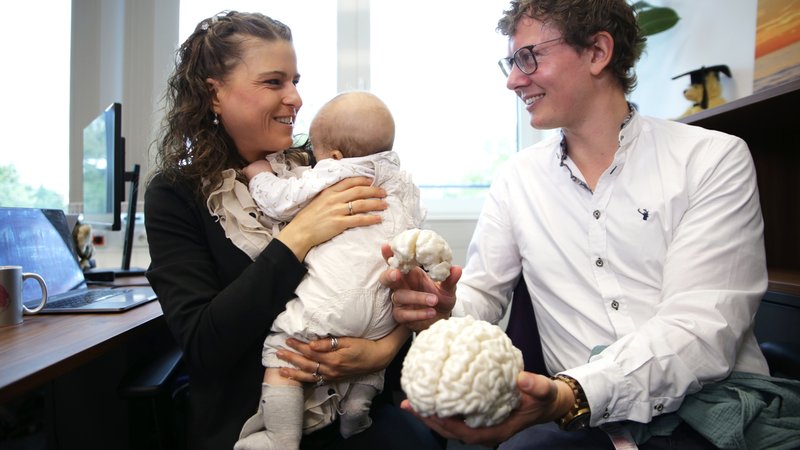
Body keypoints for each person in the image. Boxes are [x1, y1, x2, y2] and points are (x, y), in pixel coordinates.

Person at [381, 0, 797, 449]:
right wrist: (443, 308)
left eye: (528, 57)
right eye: (511, 61)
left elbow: (699, 329)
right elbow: (482, 295)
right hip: (583, 424)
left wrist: (573, 394)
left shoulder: (712, 159)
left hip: (710, 409)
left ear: (598, 52)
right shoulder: (517, 179)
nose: (513, 79)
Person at [144, 11, 443, 450]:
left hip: (353, 400)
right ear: (215, 94)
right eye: (274, 82)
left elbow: (391, 276)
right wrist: (298, 236)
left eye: (296, 81)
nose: (296, 98)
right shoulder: (176, 195)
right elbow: (205, 345)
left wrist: (383, 349)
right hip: (250, 416)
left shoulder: (327, 168)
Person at [234, 91, 426, 449]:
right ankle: (356, 409)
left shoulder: (336, 172)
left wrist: (260, 174)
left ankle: (280, 437)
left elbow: (281, 201)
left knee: (282, 349)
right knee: (369, 357)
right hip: (385, 307)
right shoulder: (401, 183)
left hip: (333, 302)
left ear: (335, 156)